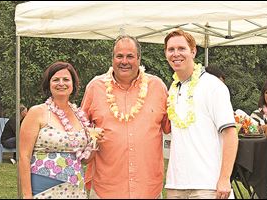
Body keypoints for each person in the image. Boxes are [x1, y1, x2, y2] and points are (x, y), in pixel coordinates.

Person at [81, 35, 171, 198]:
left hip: (148, 188)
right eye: (119, 56)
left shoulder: (157, 87)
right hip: (105, 189)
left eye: (130, 56)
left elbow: (171, 126)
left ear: (139, 58)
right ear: (112, 58)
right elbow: (80, 129)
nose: (124, 61)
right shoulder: (95, 87)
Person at [164, 29, 238, 199]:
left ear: (193, 51)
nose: (176, 54)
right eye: (171, 49)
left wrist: (224, 179)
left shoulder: (213, 86)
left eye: (181, 48)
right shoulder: (173, 88)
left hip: (208, 185)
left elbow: (230, 134)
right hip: (176, 185)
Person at [19, 61, 103, 199]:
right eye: (56, 79)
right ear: (48, 84)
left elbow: (84, 160)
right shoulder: (37, 112)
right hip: (43, 190)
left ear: (73, 84)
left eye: (66, 79)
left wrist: (95, 142)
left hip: (75, 190)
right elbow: (24, 156)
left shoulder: (79, 115)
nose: (61, 83)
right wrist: (27, 195)